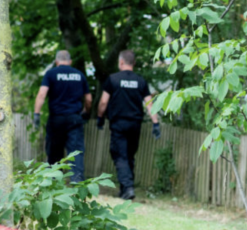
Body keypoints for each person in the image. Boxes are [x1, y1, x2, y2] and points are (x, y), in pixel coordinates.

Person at [97, 49, 160, 200]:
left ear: (121, 62)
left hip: (119, 123)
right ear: (134, 63)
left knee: (120, 156)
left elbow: (103, 101)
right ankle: (125, 189)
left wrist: (100, 117)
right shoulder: (140, 81)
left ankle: (128, 188)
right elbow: (149, 104)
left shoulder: (113, 80)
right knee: (129, 156)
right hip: (135, 125)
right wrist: (155, 123)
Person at [33, 50, 92, 183]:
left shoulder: (51, 74)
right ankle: (76, 180)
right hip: (74, 119)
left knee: (54, 151)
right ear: (70, 62)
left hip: (56, 119)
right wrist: (86, 112)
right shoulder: (79, 75)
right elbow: (88, 99)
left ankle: (54, 180)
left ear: (56, 61)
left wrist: (36, 114)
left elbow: (42, 94)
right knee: (76, 151)